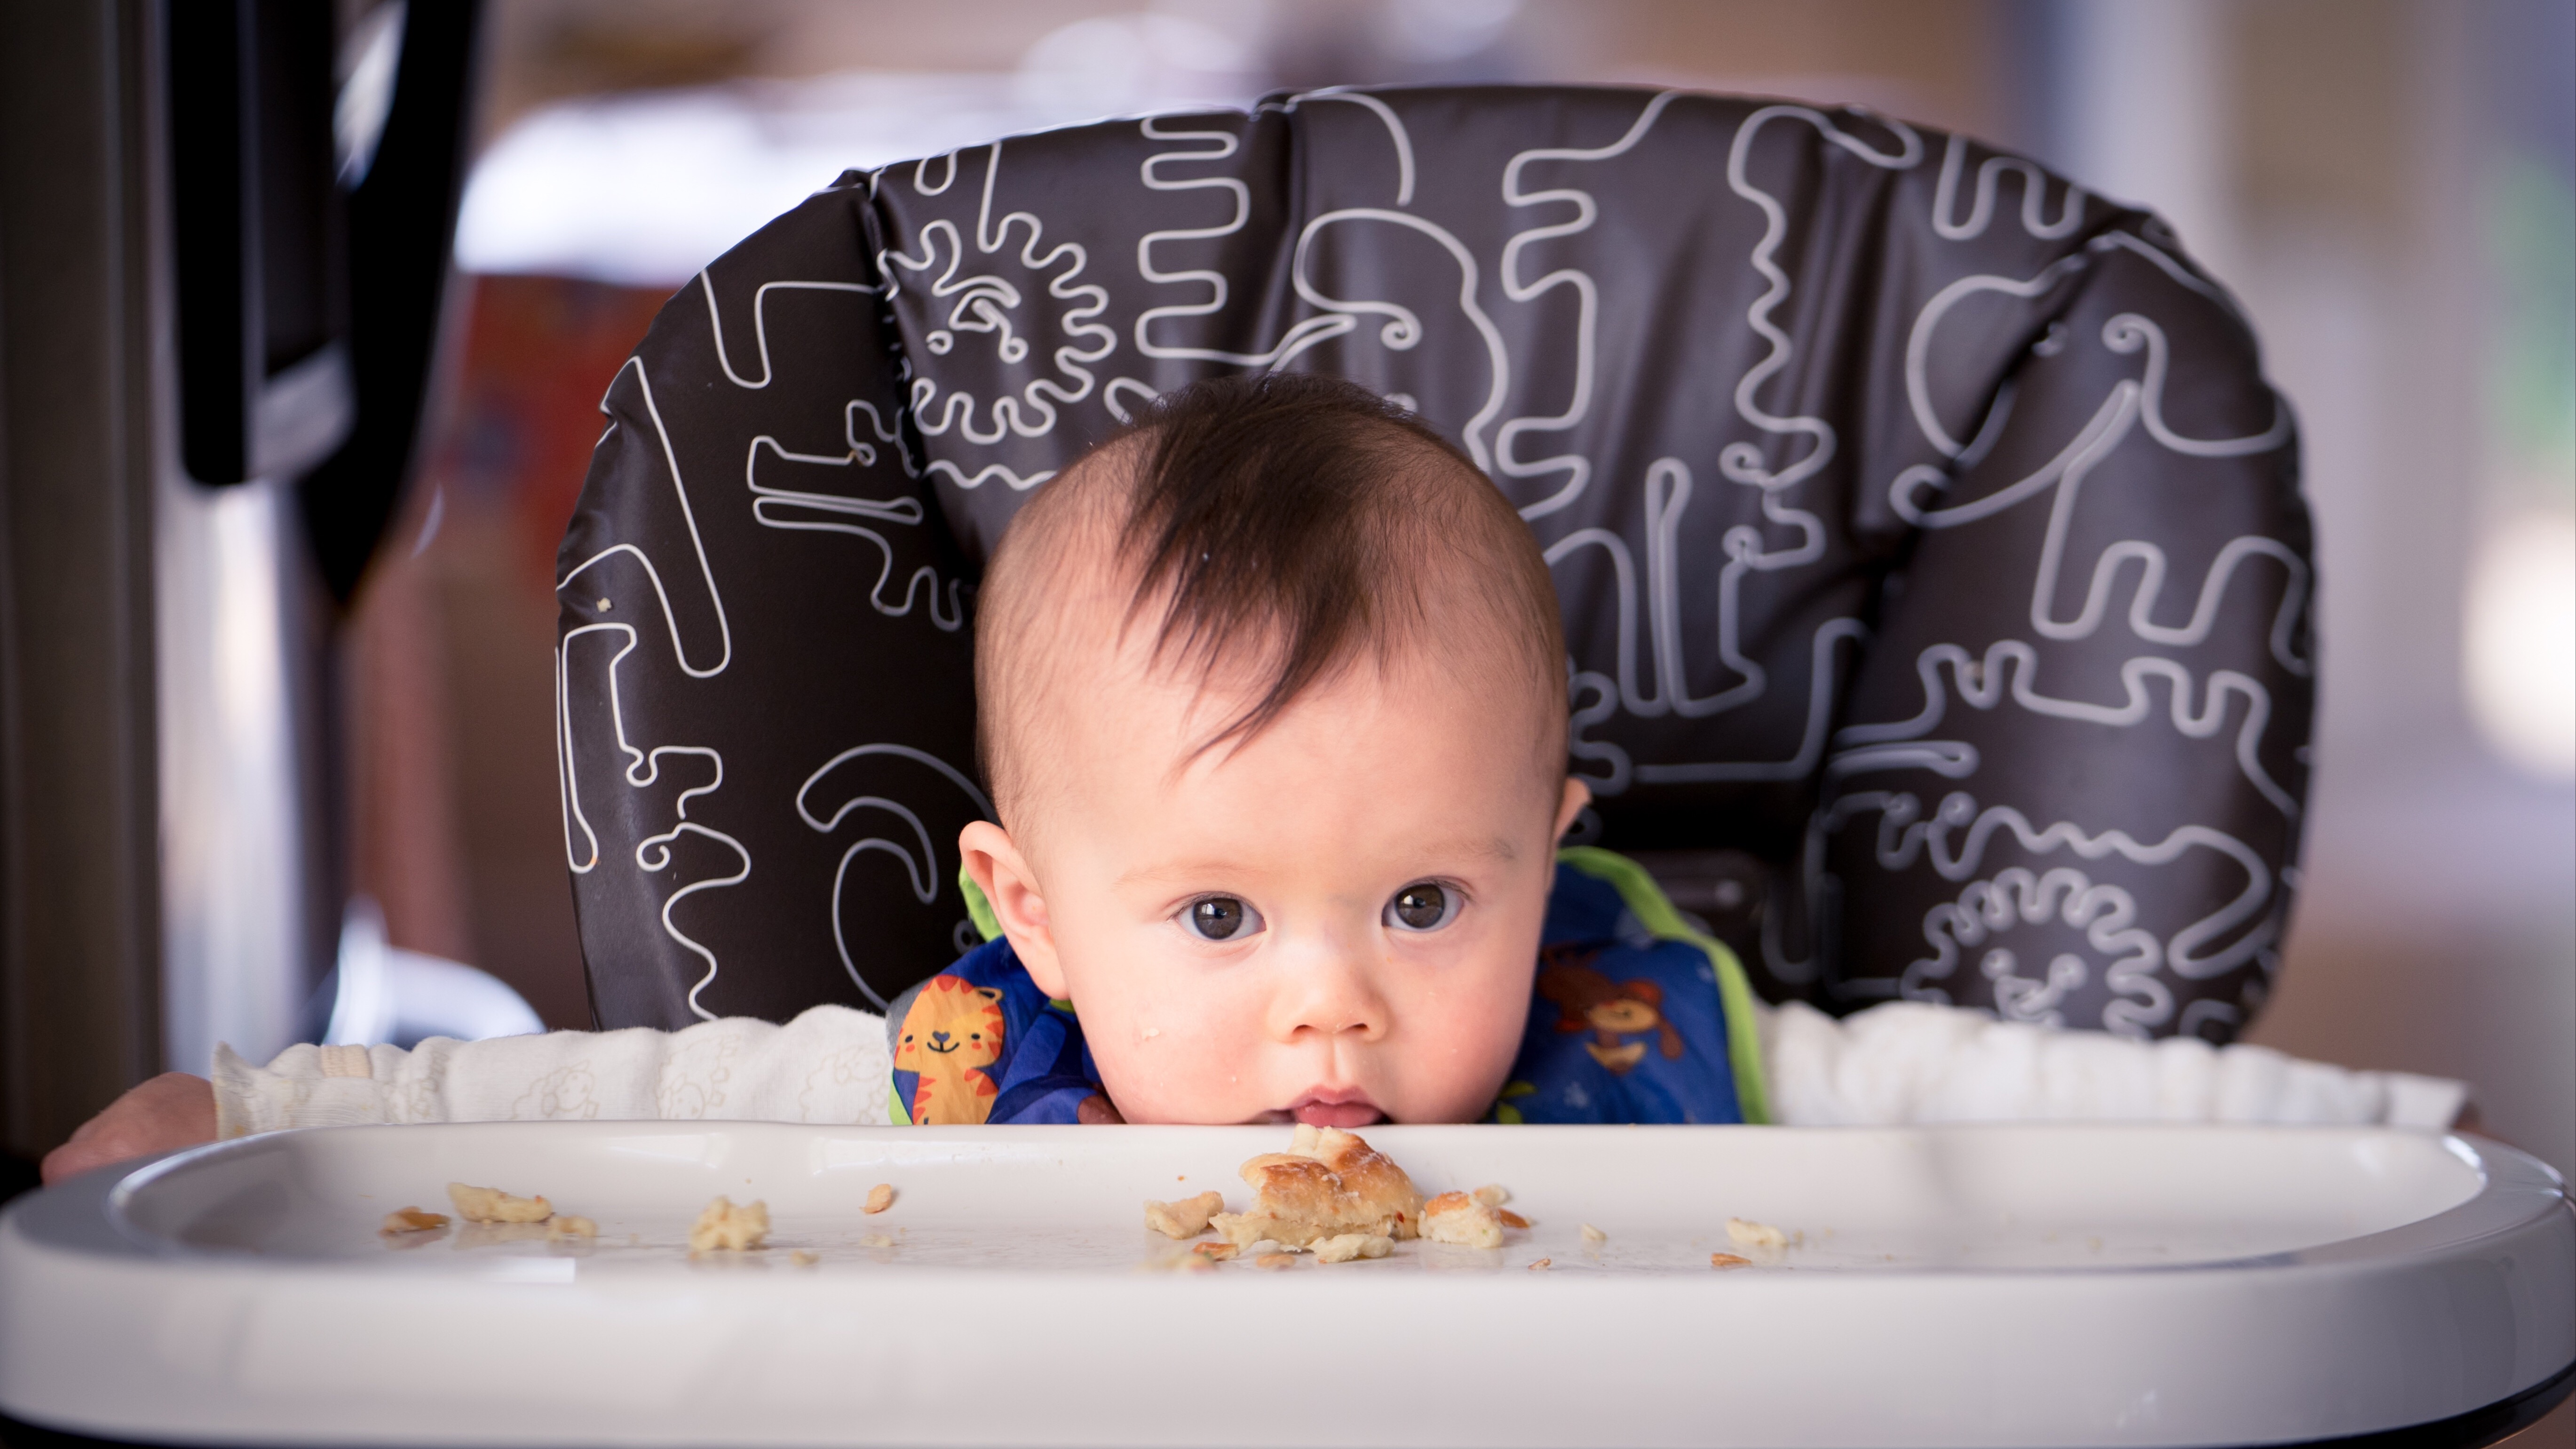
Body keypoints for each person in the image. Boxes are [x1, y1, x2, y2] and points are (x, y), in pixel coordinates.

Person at [41, 375, 2462, 1181]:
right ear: (1035, 906)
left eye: (1424, 901)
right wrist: (255, 1117)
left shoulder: (1662, 1048)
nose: (1335, 1009)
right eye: (1217, 917)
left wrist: (2374, 1150)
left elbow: (1988, 1116)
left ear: (1554, 848)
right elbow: (596, 1109)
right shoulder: (962, 1077)